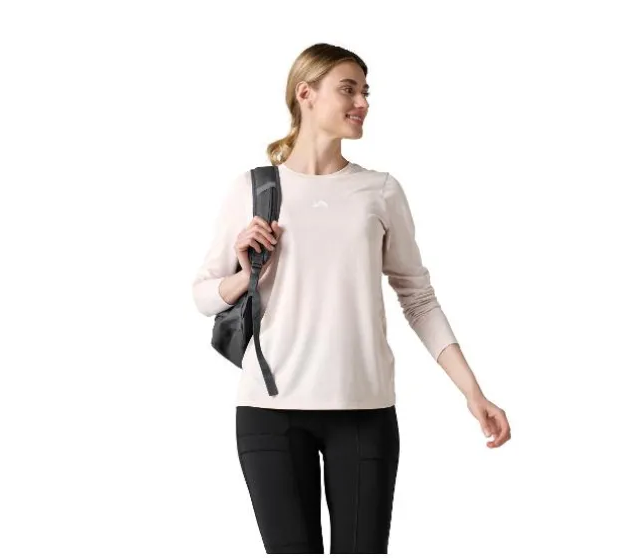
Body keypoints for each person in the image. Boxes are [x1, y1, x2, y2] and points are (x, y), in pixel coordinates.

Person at [191, 42, 511, 554]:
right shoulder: (251, 189)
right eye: (348, 89)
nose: (362, 102)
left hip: (364, 410)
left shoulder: (379, 191)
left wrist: (473, 393)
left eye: (366, 91)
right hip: (269, 412)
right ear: (306, 94)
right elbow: (205, 296)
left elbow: (418, 299)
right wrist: (244, 274)